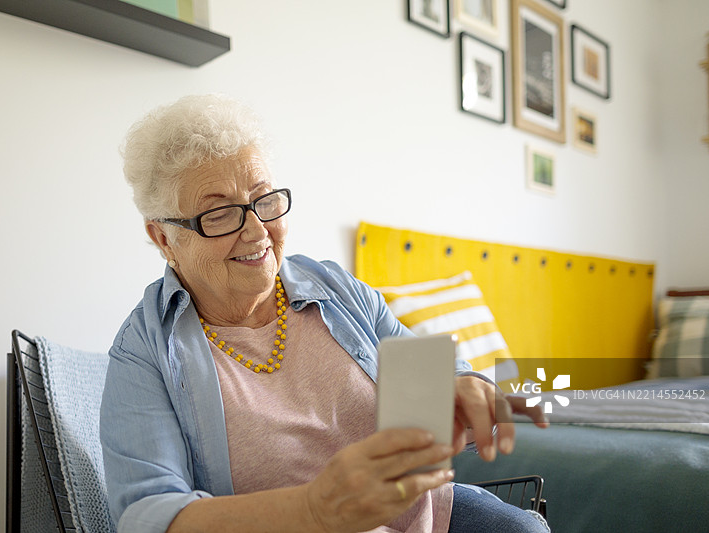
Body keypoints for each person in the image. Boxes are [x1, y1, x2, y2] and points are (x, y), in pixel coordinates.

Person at [100, 94, 550, 533]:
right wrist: (313, 512)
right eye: (218, 214)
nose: (256, 231)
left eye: (264, 200)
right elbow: (147, 515)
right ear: (163, 238)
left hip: (422, 516)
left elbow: (433, 376)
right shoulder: (145, 350)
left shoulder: (336, 290)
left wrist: (463, 386)